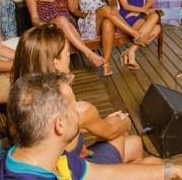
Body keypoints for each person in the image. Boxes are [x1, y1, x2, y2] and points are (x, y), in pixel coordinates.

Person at [0, 72, 182, 179]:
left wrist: (172, 170)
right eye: (73, 106)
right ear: (60, 125)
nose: (79, 108)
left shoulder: (42, 155)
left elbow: (105, 174)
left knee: (152, 164)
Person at [12, 24, 144, 164]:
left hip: (54, 162)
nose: (69, 55)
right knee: (121, 132)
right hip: (72, 171)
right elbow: (111, 132)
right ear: (56, 63)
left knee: (135, 143)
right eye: (67, 52)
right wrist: (123, 120)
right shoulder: (77, 109)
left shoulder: (19, 102)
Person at [72, 0, 156, 76]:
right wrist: (81, 13)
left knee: (107, 22)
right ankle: (135, 34)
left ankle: (106, 63)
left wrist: (113, 7)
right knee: (105, 8)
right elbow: (73, 9)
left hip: (105, 17)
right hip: (88, 21)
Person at [25, 0, 105, 68]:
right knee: (61, 21)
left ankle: (64, 73)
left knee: (62, 22)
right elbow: (34, 19)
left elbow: (72, 9)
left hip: (69, 25)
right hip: (48, 27)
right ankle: (89, 54)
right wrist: (48, 26)